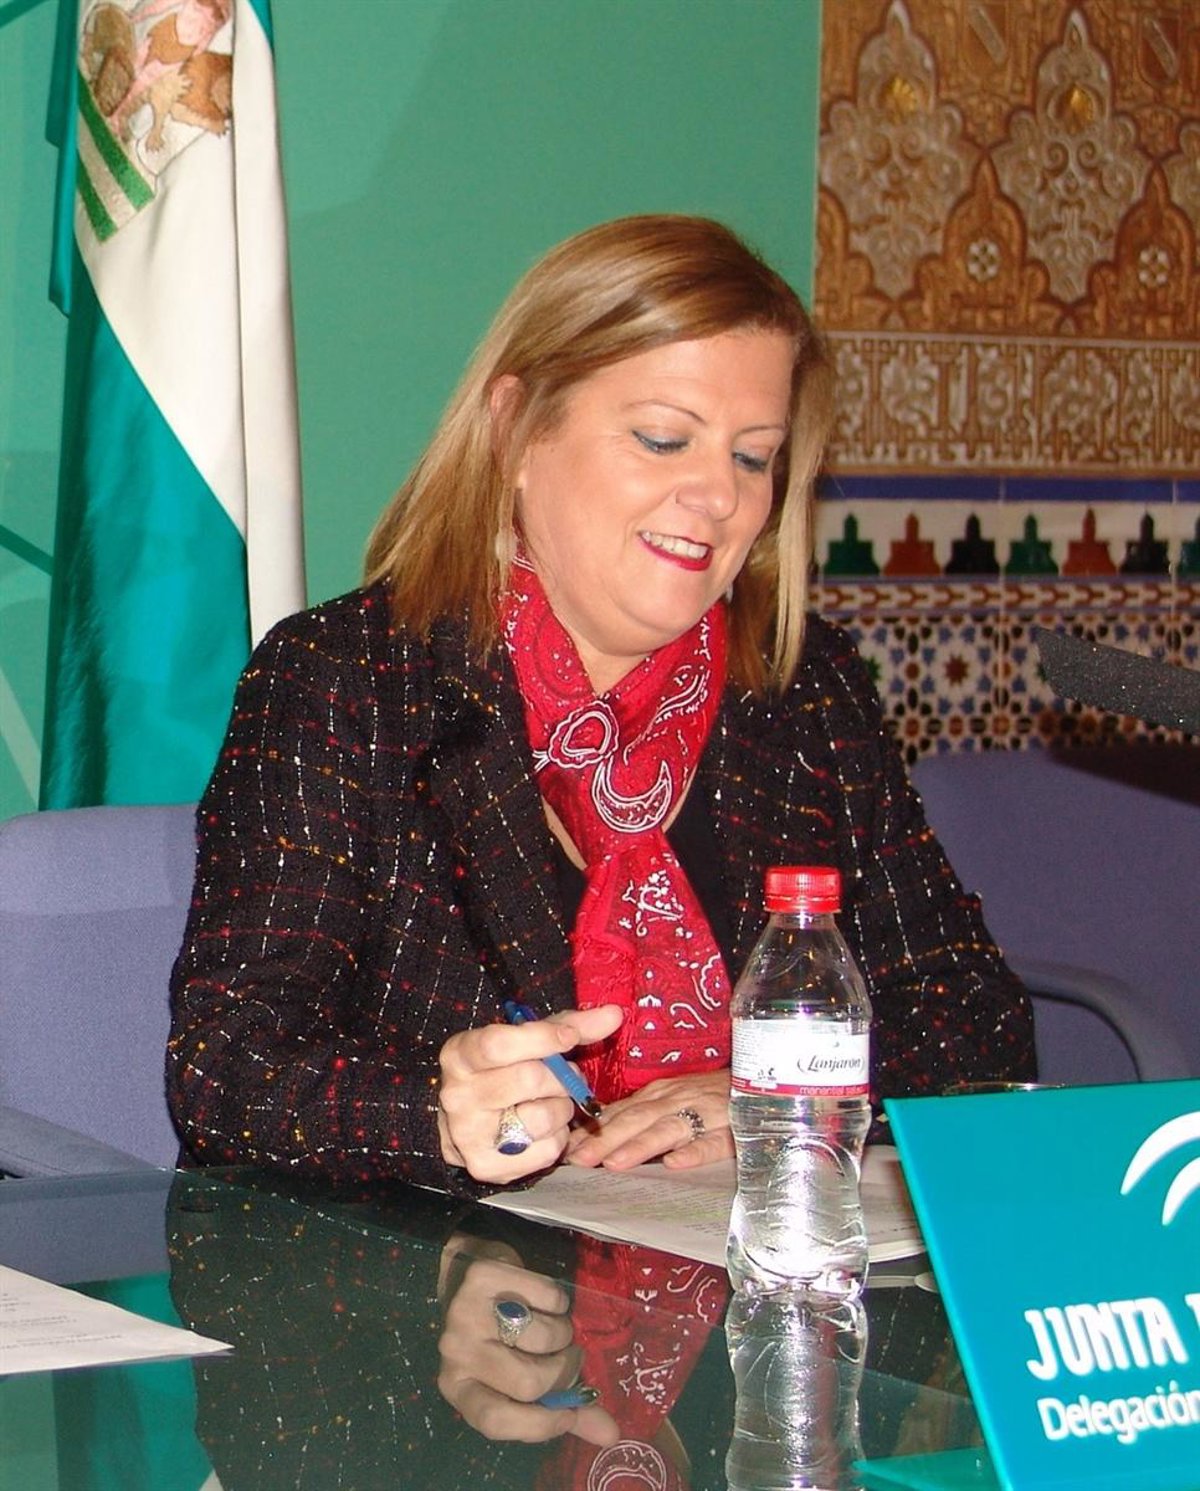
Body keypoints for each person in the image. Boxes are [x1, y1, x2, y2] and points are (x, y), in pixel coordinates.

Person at [167, 214, 1035, 1194]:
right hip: (438, 1261)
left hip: (745, 1249)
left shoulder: (800, 688)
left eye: (754, 457)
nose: (718, 494)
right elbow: (226, 1067)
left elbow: (974, 1015)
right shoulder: (350, 678)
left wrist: (771, 1094)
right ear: (514, 429)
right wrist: (432, 1111)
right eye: (665, 439)